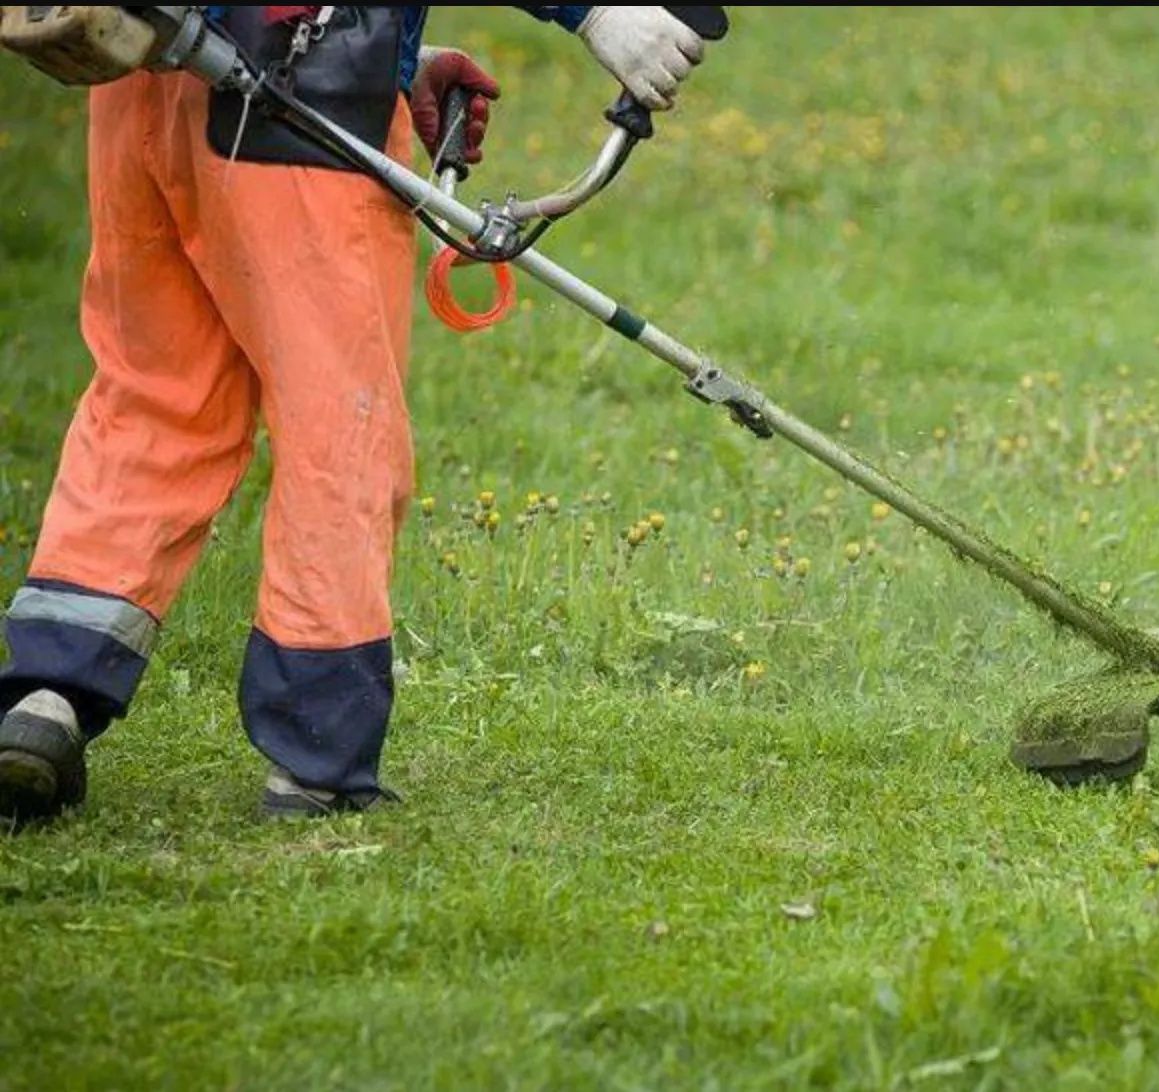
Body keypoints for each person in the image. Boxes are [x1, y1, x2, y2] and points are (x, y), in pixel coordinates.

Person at [0, 6, 711, 824]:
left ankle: (48, 694)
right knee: (340, 430)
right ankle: (317, 762)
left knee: (154, 400)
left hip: (143, 74)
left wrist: (398, 57)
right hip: (286, 110)